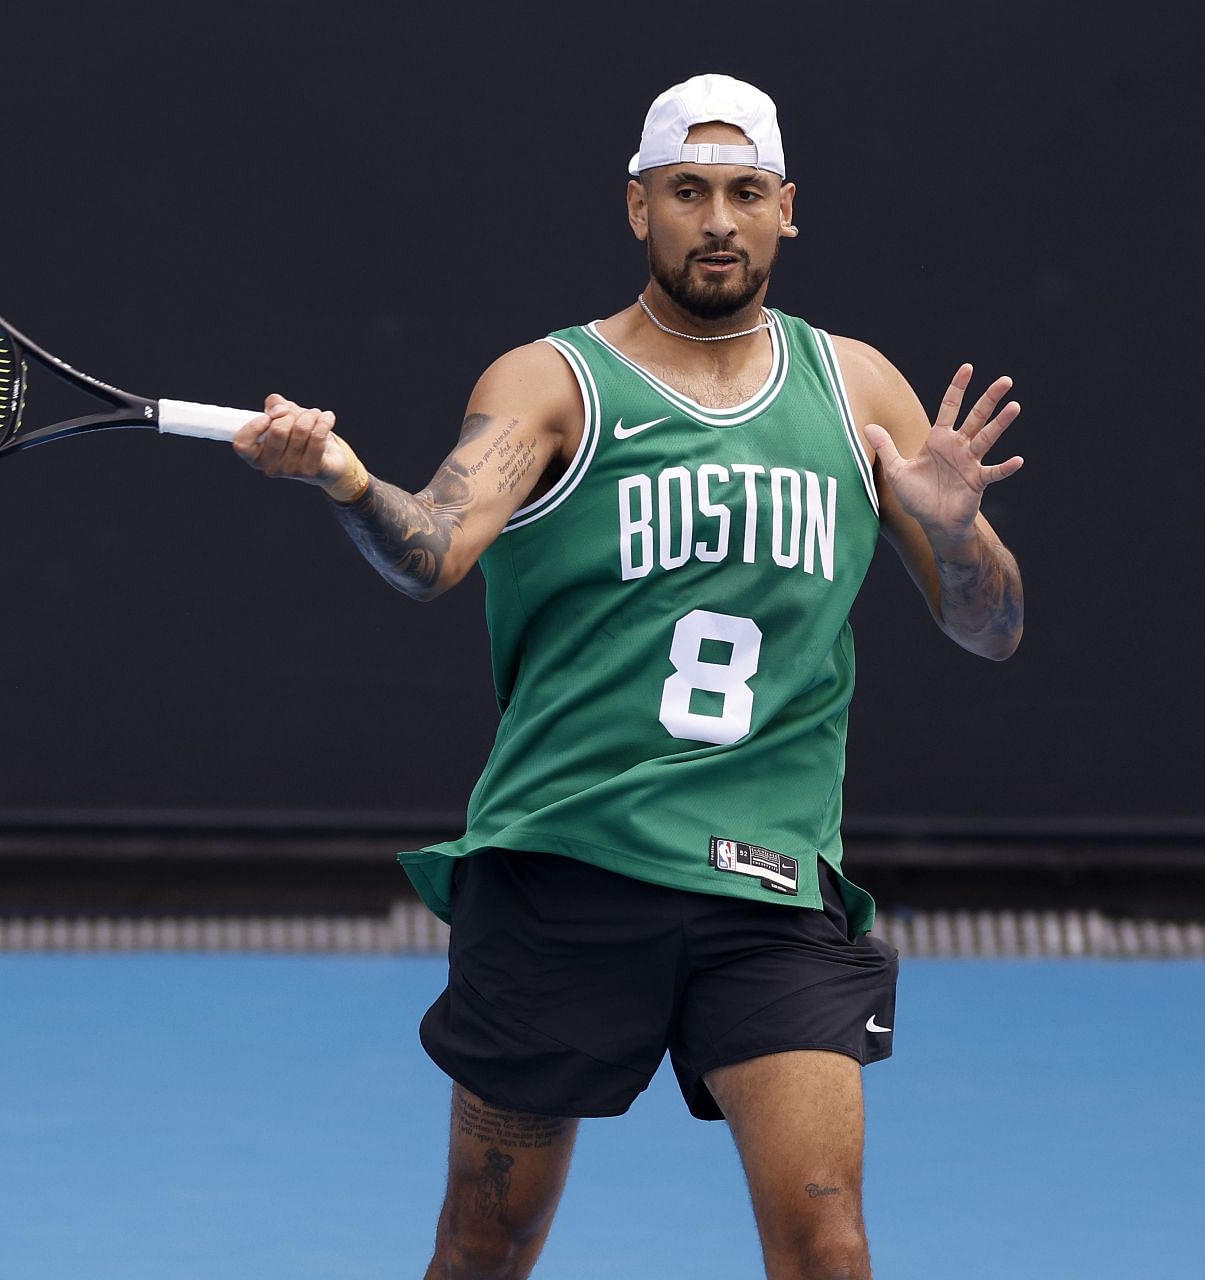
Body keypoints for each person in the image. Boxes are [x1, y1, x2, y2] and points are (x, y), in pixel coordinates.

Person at [235, 72, 1026, 1280]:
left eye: (745, 191)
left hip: (770, 889)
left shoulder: (859, 388)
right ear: (637, 207)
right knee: (484, 1240)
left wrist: (956, 531)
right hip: (566, 871)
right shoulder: (550, 383)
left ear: (788, 208)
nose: (718, 218)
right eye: (688, 191)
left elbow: (991, 628)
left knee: (829, 1241)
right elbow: (435, 547)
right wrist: (346, 476)